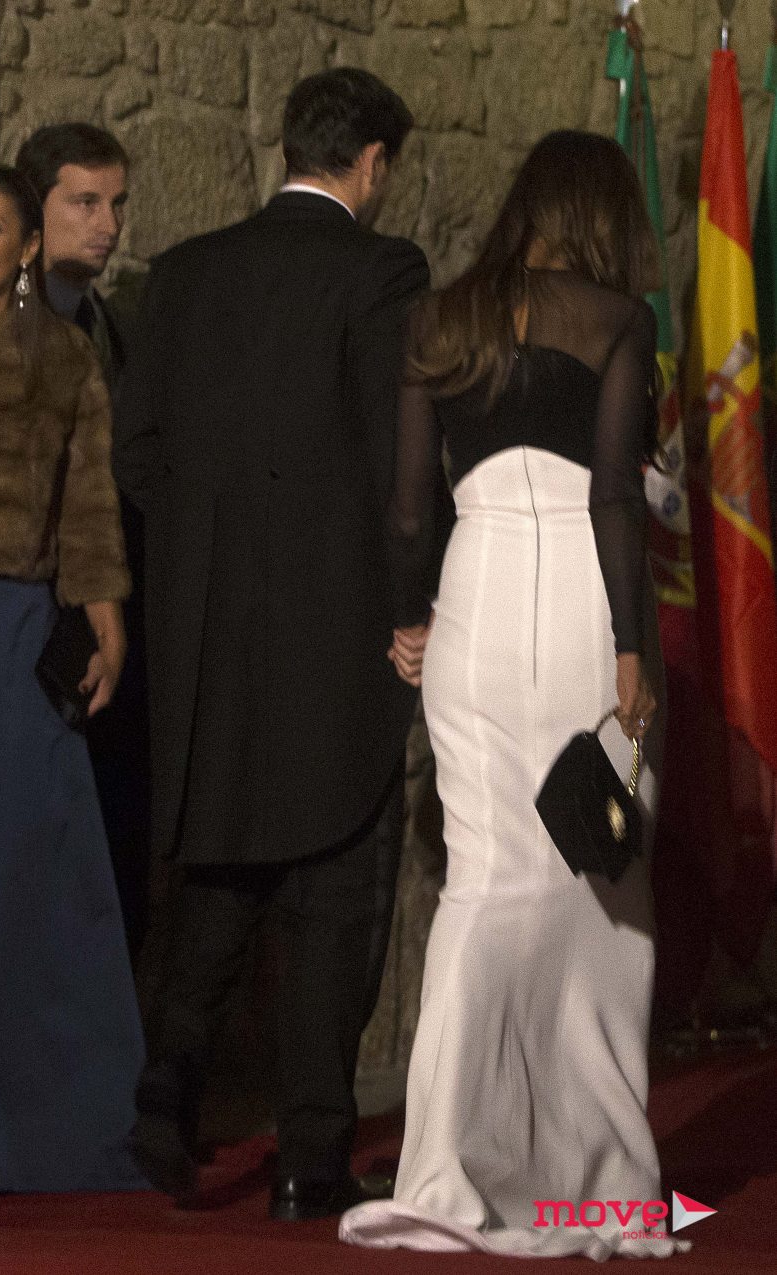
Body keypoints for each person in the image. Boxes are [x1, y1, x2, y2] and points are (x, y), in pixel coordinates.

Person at [339, 131, 689, 1259]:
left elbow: (408, 509)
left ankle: (442, 1171)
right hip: (584, 601)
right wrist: (631, 649)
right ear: (602, 217)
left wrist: (411, 618)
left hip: (474, 596)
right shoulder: (617, 319)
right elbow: (614, 499)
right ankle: (598, 1177)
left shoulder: (439, 318)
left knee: (483, 880)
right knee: (600, 872)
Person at [114, 67, 438, 1219]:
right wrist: (413, 607)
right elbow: (401, 467)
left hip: (206, 636)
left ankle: (163, 1101)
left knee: (217, 874)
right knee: (336, 889)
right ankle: (309, 1158)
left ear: (289, 147)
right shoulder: (382, 273)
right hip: (337, 632)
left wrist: (203, 564)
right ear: (373, 164)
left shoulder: (182, 275)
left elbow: (137, 455)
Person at [0, 163, 145, 1200]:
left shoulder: (64, 358)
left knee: (7, 876)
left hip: (9, 633)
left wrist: (105, 615)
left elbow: (90, 503)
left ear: (23, 250)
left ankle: (27, 1125)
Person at [16, 123, 151, 964]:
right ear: (36, 208)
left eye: (117, 203)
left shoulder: (118, 330)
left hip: (101, 636)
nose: (108, 224)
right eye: (86, 202)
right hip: (10, 631)